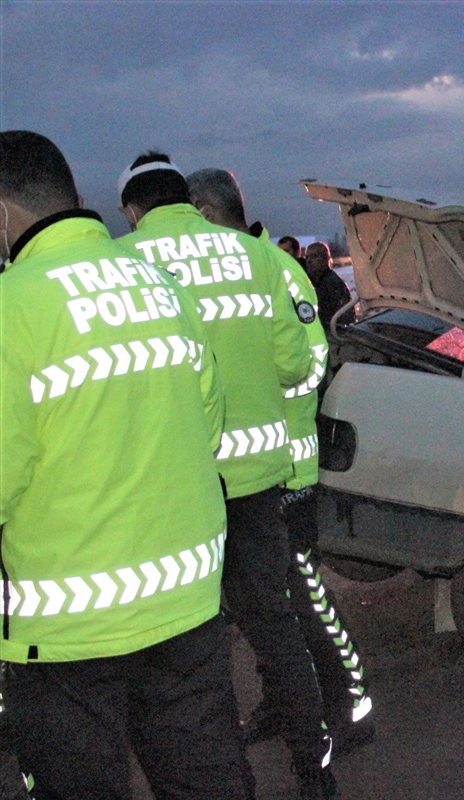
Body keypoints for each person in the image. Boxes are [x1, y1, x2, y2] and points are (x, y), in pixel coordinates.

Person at [0, 131, 252, 798]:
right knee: (205, 779)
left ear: (3, 214)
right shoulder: (160, 285)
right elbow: (207, 419)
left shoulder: (10, 307)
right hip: (185, 598)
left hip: (68, 627)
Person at [116, 152, 336, 798]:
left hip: (177, 492)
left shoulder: (128, 267)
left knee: (195, 651)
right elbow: (299, 366)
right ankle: (316, 773)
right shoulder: (261, 258)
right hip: (258, 485)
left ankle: (226, 778)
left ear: (132, 211)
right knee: (277, 628)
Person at [186, 168, 374, 754]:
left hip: (286, 471)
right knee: (260, 606)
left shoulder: (277, 268)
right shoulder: (236, 271)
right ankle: (284, 702)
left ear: (205, 210)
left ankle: (352, 705)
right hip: (253, 473)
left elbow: (308, 366)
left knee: (303, 596)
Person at [303, 240, 352, 331]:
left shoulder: (334, 283)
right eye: (307, 257)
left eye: (314, 256)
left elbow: (345, 317)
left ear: (325, 258)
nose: (309, 261)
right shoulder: (308, 282)